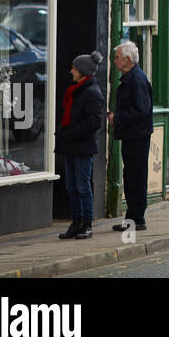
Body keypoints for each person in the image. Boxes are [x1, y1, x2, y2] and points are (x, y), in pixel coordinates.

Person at [55, 51, 104, 240]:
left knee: (83, 187)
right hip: (71, 145)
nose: (71, 71)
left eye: (74, 68)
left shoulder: (92, 92)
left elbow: (94, 123)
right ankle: (76, 222)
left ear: (83, 71)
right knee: (71, 187)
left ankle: (87, 224)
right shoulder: (76, 91)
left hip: (82, 147)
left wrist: (70, 134)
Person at [108, 41, 153, 233]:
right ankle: (132, 218)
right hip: (132, 135)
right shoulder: (131, 78)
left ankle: (137, 218)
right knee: (131, 176)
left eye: (117, 57)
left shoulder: (137, 80)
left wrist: (117, 118)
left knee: (135, 177)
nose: (115, 61)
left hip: (137, 136)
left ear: (127, 60)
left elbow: (142, 111)